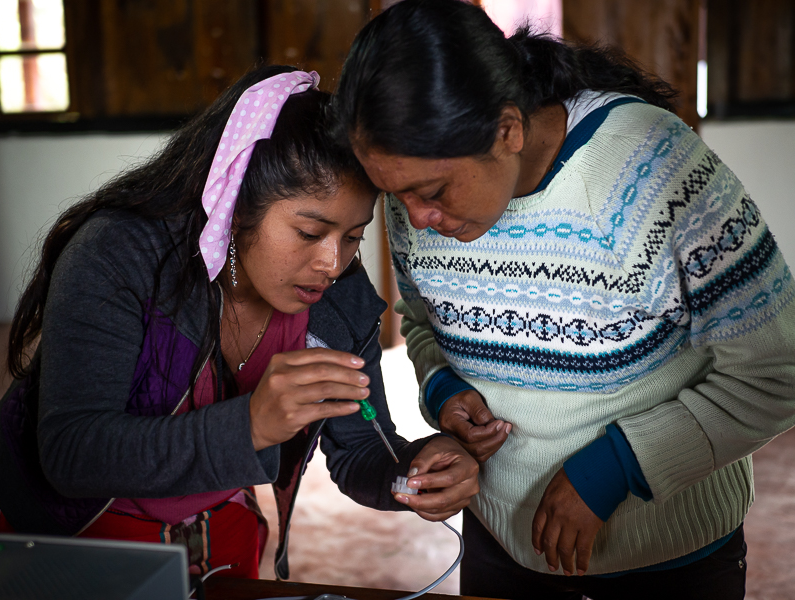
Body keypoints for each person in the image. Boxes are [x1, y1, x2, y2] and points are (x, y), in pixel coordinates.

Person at [330, 1, 795, 598]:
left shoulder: (649, 166)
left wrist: (616, 469)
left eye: (434, 192)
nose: (419, 219)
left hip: (668, 564)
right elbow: (420, 323)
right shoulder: (412, 198)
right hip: (499, 548)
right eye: (398, 196)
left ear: (508, 129)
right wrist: (444, 389)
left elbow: (777, 370)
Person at [0, 63, 479, 581]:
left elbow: (361, 446)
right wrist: (250, 425)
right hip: (81, 548)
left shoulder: (341, 297)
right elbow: (72, 453)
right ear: (238, 205)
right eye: (309, 232)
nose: (332, 264)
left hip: (222, 543)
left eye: (354, 236)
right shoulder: (120, 254)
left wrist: (416, 470)